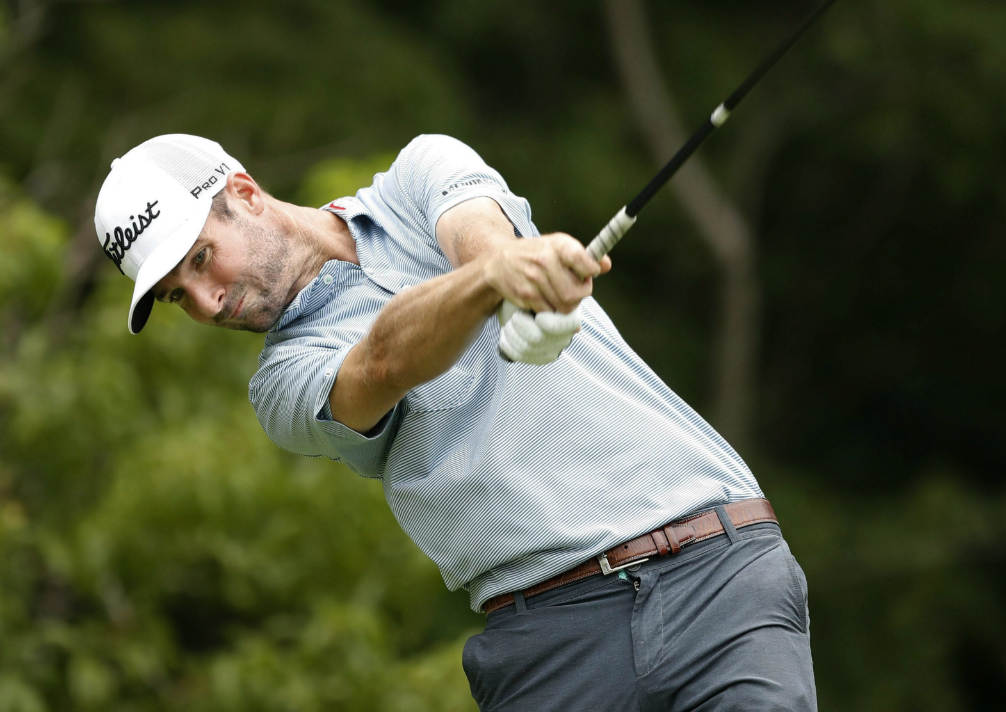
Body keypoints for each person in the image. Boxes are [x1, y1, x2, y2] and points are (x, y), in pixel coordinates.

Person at [93, 133, 816, 710]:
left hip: (718, 570)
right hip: (552, 645)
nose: (208, 302)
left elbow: (478, 230)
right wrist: (492, 287)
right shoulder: (282, 384)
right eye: (177, 297)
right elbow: (381, 364)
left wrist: (514, 273)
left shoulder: (416, 174)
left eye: (200, 261)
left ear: (245, 195)